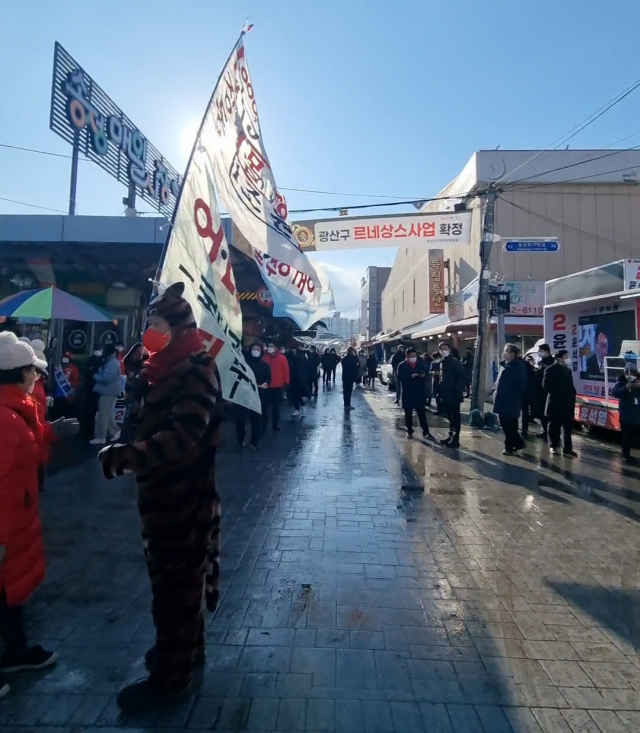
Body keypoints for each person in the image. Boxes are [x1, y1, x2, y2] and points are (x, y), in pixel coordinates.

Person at [98, 283, 222, 712]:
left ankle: (173, 676)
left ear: (178, 326)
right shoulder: (159, 367)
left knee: (174, 591)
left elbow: (184, 433)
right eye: (147, 323)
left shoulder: (197, 368)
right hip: (160, 498)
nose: (148, 330)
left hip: (183, 497)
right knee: (176, 585)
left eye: (155, 322)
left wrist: (129, 457)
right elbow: (143, 419)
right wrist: (138, 377)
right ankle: (187, 649)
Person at [0, 333, 60, 700]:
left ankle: (17, 651)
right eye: (32, 371)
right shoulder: (6, 418)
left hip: (17, 522)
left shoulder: (16, 411)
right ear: (20, 373)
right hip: (8, 526)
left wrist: (51, 433)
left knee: (9, 596)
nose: (36, 377)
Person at [493, 344, 527, 456]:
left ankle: (509, 446)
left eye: (506, 351)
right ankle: (518, 443)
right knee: (505, 423)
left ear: (513, 354)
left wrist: (511, 395)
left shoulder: (518, 366)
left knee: (510, 425)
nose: (504, 353)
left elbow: (521, 385)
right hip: (502, 399)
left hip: (511, 401)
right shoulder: (505, 365)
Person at [543, 349, 578, 457]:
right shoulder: (550, 369)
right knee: (554, 425)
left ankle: (568, 448)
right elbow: (546, 385)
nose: (568, 359)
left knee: (567, 427)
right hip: (556, 402)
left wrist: (572, 395)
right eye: (566, 356)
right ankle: (553, 446)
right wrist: (559, 394)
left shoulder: (568, 370)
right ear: (559, 358)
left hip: (568, 403)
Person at [235, 343, 270, 450]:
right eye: (254, 349)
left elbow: (268, 379)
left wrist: (265, 384)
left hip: (257, 396)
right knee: (240, 419)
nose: (255, 351)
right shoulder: (244, 364)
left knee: (256, 420)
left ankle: (254, 442)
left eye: (257, 349)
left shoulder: (265, 366)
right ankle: (241, 438)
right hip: (243, 394)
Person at [397, 348, 436, 440]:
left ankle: (426, 432)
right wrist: (410, 376)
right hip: (408, 393)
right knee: (408, 414)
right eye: (411, 356)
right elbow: (400, 377)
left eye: (415, 356)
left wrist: (422, 375)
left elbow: (425, 373)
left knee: (421, 413)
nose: (413, 358)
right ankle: (409, 431)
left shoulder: (419, 364)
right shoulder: (402, 365)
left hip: (419, 392)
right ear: (407, 356)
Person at [90, 343, 123, 446]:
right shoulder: (110, 361)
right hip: (108, 391)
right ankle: (114, 431)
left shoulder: (112, 363)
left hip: (107, 391)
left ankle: (101, 436)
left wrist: (94, 375)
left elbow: (106, 379)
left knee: (102, 415)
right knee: (106, 413)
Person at [438, 343, 465, 448]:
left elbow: (461, 377)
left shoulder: (454, 362)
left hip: (454, 394)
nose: (443, 351)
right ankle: (450, 436)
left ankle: (455, 438)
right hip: (445, 394)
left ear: (449, 349)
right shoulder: (442, 362)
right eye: (441, 349)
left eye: (445, 349)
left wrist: (458, 391)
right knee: (449, 417)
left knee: (455, 417)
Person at [122, 342, 150, 444]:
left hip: (139, 393)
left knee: (134, 417)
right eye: (139, 350)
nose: (141, 352)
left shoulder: (144, 362)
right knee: (128, 416)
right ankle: (126, 439)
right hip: (132, 392)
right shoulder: (129, 362)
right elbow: (131, 378)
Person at [612, 363, 640, 462]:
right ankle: (626, 454)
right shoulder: (621, 382)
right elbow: (615, 393)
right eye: (627, 372)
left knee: (635, 436)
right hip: (626, 415)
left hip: (637, 415)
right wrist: (627, 387)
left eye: (632, 372)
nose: (630, 375)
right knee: (626, 436)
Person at [262, 343, 289, 432]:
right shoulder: (264, 358)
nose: (270, 348)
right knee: (265, 407)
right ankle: (264, 423)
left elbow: (286, 371)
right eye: (269, 346)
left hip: (278, 386)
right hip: (266, 386)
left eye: (272, 346)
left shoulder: (282, 358)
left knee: (276, 408)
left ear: (275, 348)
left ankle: (275, 423)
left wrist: (286, 383)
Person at [533, 343, 555, 441]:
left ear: (546, 352)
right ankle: (545, 431)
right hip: (539, 392)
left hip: (546, 392)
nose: (539, 353)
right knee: (541, 413)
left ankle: (550, 434)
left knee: (547, 414)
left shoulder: (551, 362)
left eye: (541, 351)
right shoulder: (542, 361)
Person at [287, 347, 311, 417]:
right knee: (296, 394)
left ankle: (297, 408)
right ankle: (301, 406)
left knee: (296, 394)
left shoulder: (300, 358)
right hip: (294, 379)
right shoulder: (291, 357)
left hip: (298, 379)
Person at [521, 354, 537, 438]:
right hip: (526, 394)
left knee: (523, 413)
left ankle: (523, 430)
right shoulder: (530, 369)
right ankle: (524, 430)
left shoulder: (521, 366)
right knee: (525, 413)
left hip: (522, 394)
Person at [341, 347, 359, 411]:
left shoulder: (345, 358)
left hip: (345, 377)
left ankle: (346, 404)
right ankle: (347, 405)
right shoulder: (352, 359)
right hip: (350, 377)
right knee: (348, 391)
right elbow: (356, 367)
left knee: (345, 391)